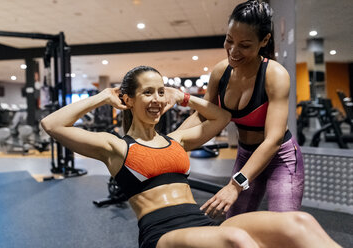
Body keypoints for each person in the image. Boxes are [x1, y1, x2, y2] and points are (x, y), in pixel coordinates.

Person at [41, 65, 341, 248]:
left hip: (203, 225)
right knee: (237, 241)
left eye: (161, 92)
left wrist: (183, 97)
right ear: (128, 100)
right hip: (162, 234)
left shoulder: (177, 140)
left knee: (298, 222)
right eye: (148, 93)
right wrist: (103, 97)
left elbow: (221, 117)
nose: (157, 100)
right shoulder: (115, 146)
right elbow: (51, 124)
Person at [178, 0, 304, 219]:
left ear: (264, 40)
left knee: (283, 227)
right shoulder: (221, 71)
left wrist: (235, 186)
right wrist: (169, 143)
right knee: (233, 223)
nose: (233, 51)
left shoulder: (275, 75)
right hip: (246, 154)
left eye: (244, 45)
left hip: (280, 158)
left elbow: (273, 140)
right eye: (229, 40)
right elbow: (202, 114)